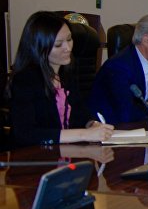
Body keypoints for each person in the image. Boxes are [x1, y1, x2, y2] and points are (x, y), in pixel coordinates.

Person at [8, 11, 114, 147]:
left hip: (65, 151)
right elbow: (25, 133)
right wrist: (84, 134)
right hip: (36, 154)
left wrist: (91, 124)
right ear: (39, 47)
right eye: (58, 44)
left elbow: (80, 112)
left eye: (69, 39)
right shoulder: (25, 80)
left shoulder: (66, 72)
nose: (68, 48)